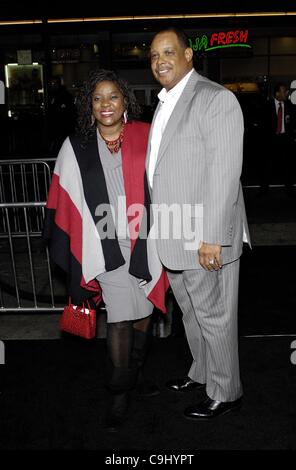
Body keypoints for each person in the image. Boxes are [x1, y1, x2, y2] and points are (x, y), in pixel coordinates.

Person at [43, 69, 168, 432]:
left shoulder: (146, 136)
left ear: (125, 101)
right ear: (89, 105)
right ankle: (119, 392)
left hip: (148, 239)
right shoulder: (76, 145)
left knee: (146, 309)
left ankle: (135, 373)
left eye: (113, 96)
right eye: (97, 98)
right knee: (119, 319)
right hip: (105, 244)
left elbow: (169, 177)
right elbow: (62, 196)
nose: (105, 104)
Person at [147, 27, 251, 420]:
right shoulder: (164, 103)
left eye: (169, 52)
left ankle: (227, 391)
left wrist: (213, 238)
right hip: (174, 234)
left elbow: (224, 173)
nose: (160, 61)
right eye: (155, 55)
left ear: (189, 55)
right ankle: (203, 371)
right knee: (191, 312)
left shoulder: (214, 98)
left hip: (204, 237)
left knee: (214, 314)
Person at [260, 82, 296, 196]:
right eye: (284, 91)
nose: (287, 93)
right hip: (271, 141)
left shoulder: (290, 105)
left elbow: (293, 123)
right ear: (277, 93)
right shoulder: (267, 106)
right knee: (267, 166)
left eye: (286, 91)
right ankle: (263, 191)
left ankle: (289, 191)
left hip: (285, 140)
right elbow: (263, 125)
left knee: (287, 166)